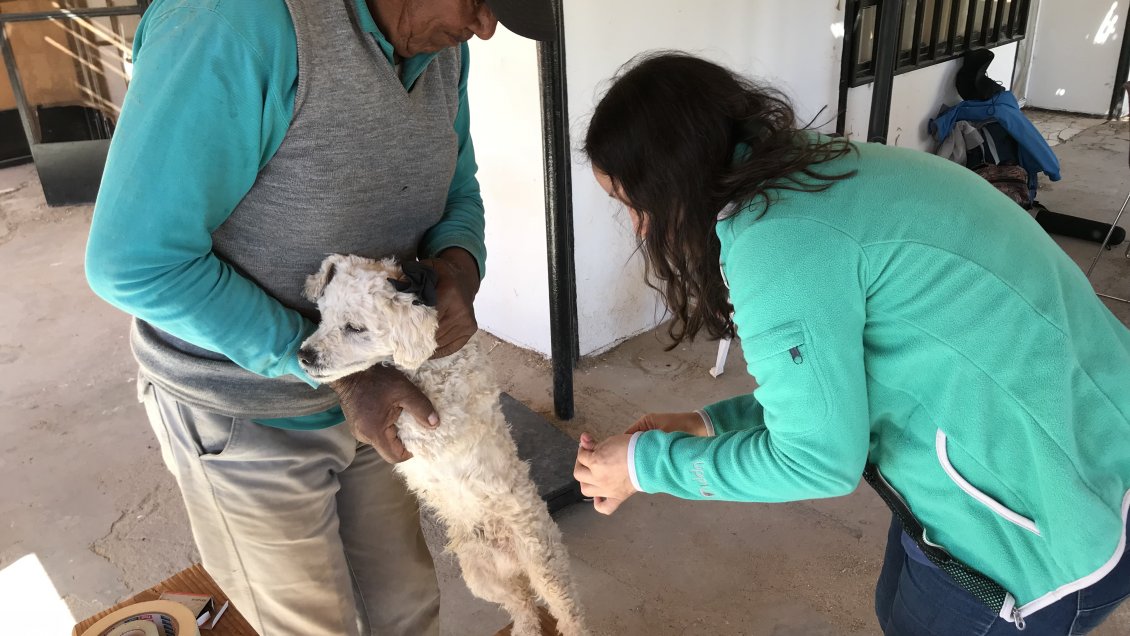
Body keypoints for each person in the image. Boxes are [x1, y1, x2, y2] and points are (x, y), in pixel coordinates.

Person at [574, 52, 1130, 636]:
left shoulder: (778, 241)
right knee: (898, 608)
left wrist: (642, 467)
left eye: (635, 204)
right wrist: (706, 425)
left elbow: (816, 462)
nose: (639, 227)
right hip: (1075, 435)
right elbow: (830, 381)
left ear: (675, 182)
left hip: (1048, 518)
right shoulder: (815, 167)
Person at [84, 0, 555, 634]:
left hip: (382, 394)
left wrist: (457, 268)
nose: (485, 28)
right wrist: (344, 372)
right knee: (312, 625)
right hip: (248, 413)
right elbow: (134, 261)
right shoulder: (232, 25)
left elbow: (458, 190)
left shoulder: (442, 50)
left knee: (407, 609)